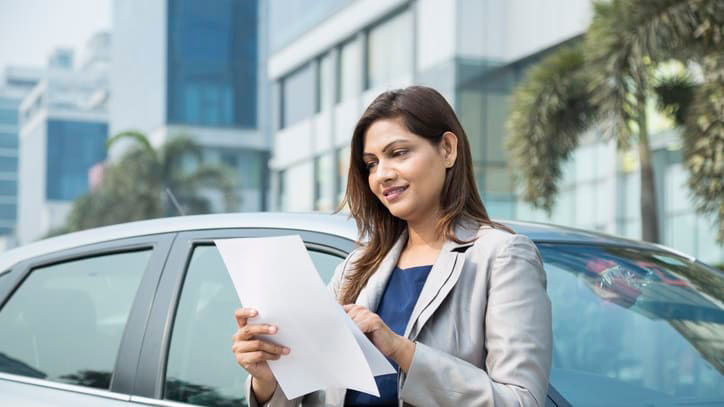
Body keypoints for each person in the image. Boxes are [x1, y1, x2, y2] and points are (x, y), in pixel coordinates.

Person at [232, 85, 552, 406]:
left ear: (448, 149)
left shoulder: (500, 256)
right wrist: (268, 379)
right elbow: (313, 392)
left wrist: (402, 351)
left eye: (398, 153)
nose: (382, 175)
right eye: (371, 163)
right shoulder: (356, 268)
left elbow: (521, 401)